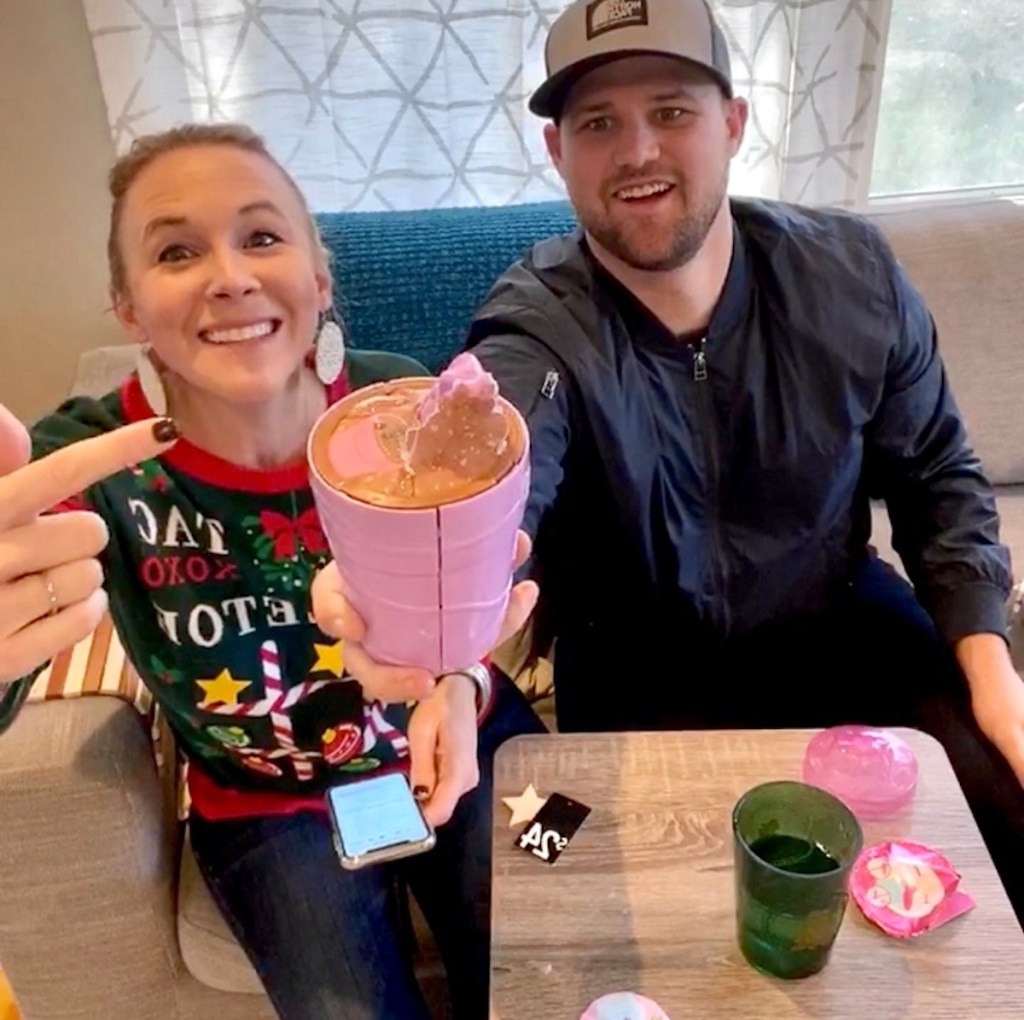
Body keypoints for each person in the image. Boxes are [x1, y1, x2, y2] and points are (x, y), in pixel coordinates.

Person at [313, 0, 1024, 920]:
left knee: (1005, 812)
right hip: (636, 669)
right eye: (599, 123)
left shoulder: (854, 276)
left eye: (672, 112)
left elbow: (937, 478)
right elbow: (491, 484)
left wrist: (994, 675)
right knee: (569, 887)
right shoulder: (533, 324)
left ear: (732, 122)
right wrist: (441, 650)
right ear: (556, 153)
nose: (637, 149)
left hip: (842, 620)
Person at [0, 122, 542, 1020]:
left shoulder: (400, 401)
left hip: (461, 733)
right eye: (177, 250)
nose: (230, 274)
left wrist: (456, 671)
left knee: (558, 967)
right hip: (269, 805)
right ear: (128, 306)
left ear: (319, 280)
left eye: (261, 236)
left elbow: (479, 582)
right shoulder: (88, 461)